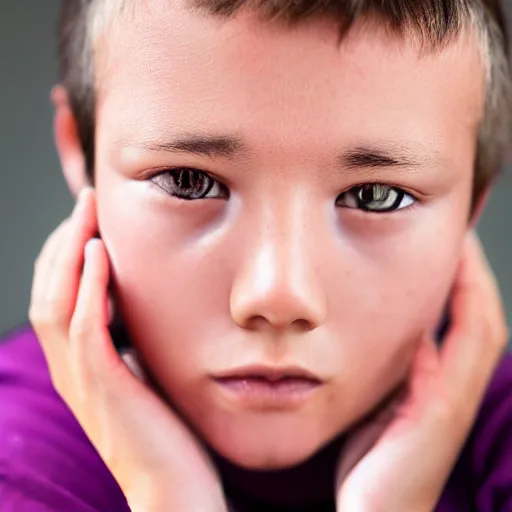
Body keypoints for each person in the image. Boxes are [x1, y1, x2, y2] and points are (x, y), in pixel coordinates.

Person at [1, 0, 511, 510]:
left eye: (375, 195)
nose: (278, 296)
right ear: (80, 148)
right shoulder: (22, 465)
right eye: (190, 181)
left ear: (474, 198)